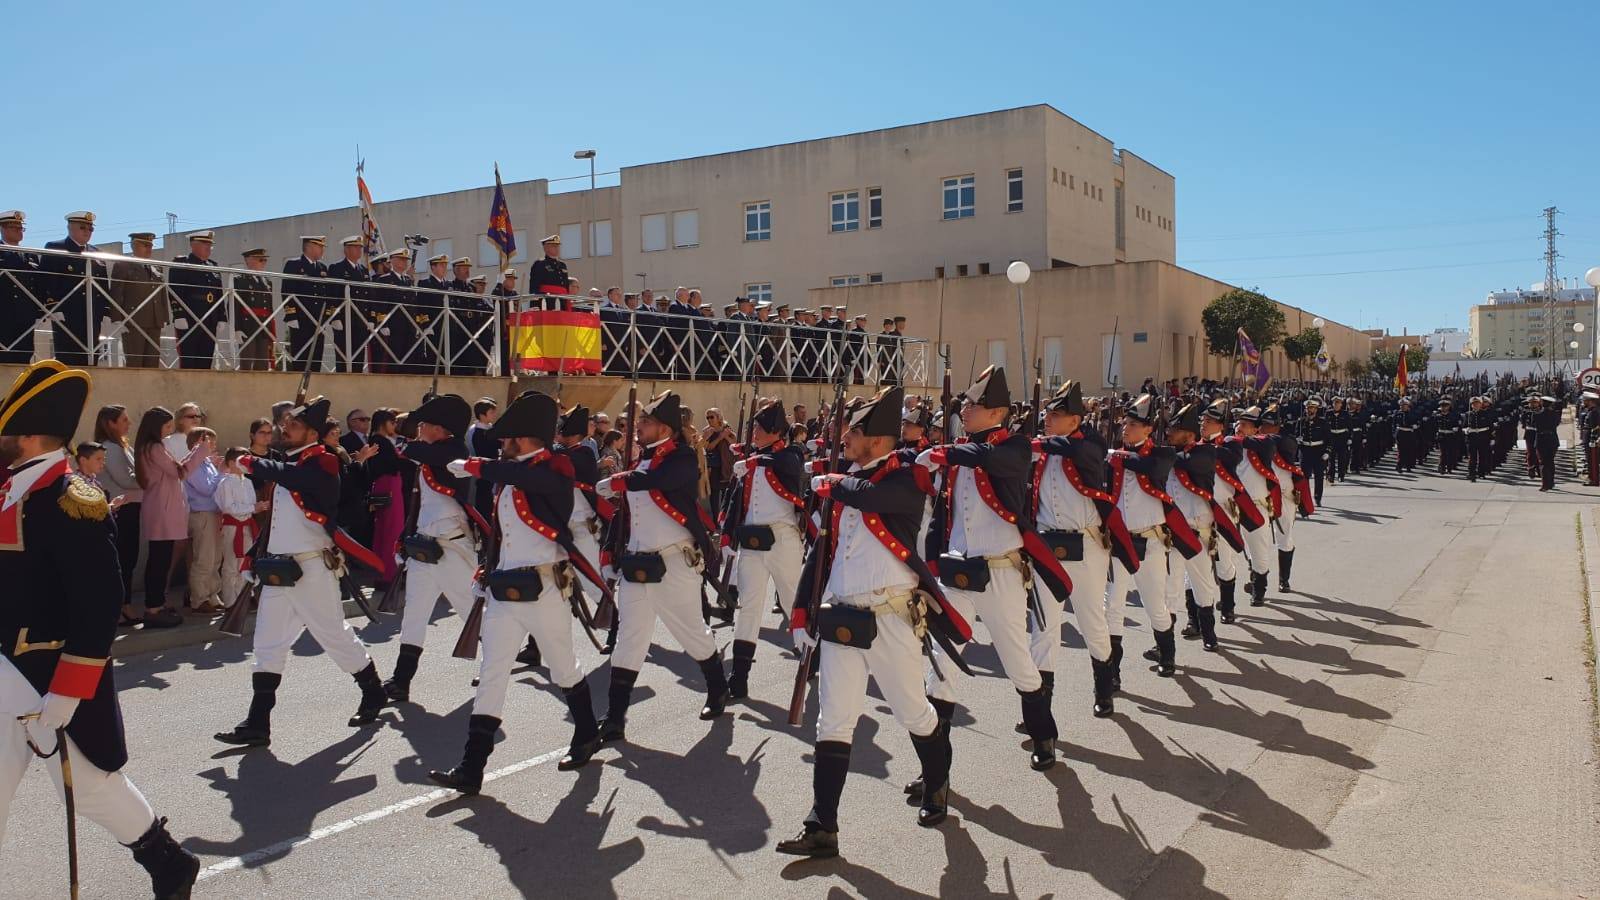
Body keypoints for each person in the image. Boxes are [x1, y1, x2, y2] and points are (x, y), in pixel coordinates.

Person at [0, 360, 201, 897]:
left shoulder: (69, 500)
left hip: (42, 671)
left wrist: (70, 688)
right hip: (5, 671)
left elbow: (98, 602)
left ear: (27, 435)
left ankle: (167, 861)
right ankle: (168, 862)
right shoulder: (14, 489)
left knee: (88, 789)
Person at [776, 386, 966, 858]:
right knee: (833, 721)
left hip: (891, 618)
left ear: (878, 440)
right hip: (841, 616)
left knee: (913, 712)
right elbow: (824, 553)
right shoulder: (849, 482)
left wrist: (832, 482)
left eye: (855, 431)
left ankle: (937, 783)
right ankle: (822, 825)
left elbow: (874, 498)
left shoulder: (905, 476)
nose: (845, 436)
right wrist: (802, 613)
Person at [430, 390, 609, 793]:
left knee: (564, 666)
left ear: (526, 439)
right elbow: (506, 532)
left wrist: (477, 466)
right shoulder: (508, 476)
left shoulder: (556, 468)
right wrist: (488, 566)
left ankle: (585, 734)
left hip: (544, 586)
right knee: (492, 671)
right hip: (504, 586)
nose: (502, 443)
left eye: (508, 437)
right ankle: (471, 767)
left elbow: (528, 477)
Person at [917, 366, 1068, 773]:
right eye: (964, 403)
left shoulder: (1014, 447)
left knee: (1017, 659)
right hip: (956, 572)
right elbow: (941, 516)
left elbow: (992, 459)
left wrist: (943, 452)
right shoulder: (960, 451)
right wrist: (931, 569)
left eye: (972, 404)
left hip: (1000, 572)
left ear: (997, 411)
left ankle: (1043, 733)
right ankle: (935, 769)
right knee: (941, 662)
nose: (964, 409)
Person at [214, 397, 388, 747]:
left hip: (312, 567)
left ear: (312, 432)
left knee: (334, 636)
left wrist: (253, 462)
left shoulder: (322, 461)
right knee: (267, 644)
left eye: (293, 425)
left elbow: (293, 477)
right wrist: (252, 556)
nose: (284, 429)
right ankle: (258, 723)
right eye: (285, 425)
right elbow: (277, 522)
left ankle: (374, 691)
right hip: (280, 569)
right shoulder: (289, 463)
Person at [594, 391, 727, 741]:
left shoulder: (681, 458)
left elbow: (660, 481)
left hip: (674, 563)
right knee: (628, 641)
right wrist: (610, 551)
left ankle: (718, 689)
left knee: (693, 634)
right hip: (637, 565)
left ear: (664, 428)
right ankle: (615, 717)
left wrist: (620, 480)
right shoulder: (641, 462)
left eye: (645, 422)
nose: (638, 427)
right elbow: (627, 513)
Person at [1031, 381, 1133, 717]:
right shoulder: (1044, 450)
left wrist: (1042, 444)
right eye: (1046, 412)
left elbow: (1085, 452)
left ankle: (1103, 689)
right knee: (1044, 629)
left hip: (1087, 545)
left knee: (1092, 622)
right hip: (1047, 546)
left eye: (1056, 414)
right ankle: (1038, 708)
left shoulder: (1089, 444)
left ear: (1075, 421)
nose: (1047, 418)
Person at [381, 394, 484, 703]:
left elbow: (418, 452)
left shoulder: (454, 450)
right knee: (414, 614)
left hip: (452, 548)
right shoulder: (427, 454)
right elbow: (419, 504)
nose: (419, 428)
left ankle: (496, 664)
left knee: (471, 611)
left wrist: (404, 444)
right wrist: (404, 538)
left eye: (424, 424)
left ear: (439, 429)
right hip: (425, 547)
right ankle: (401, 680)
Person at [718, 402, 805, 701]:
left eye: (759, 428)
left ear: (776, 432)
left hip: (782, 540)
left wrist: (757, 462)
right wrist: (728, 534)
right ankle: (738, 678)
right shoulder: (752, 461)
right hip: (752, 542)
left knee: (794, 600)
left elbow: (789, 466)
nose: (753, 432)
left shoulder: (789, 454)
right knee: (748, 607)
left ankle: (810, 658)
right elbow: (736, 501)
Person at [1103, 394, 1192, 679]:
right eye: (1125, 423)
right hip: (1118, 541)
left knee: (1155, 604)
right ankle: (1112, 671)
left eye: (1133, 424)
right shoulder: (1114, 457)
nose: (1125, 428)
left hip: (1151, 541)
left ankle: (1168, 654)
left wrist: (1118, 456)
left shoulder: (1161, 454)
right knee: (1113, 606)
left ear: (1149, 429)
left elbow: (1150, 468)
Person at [134, 407, 204, 628]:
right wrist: (199, 452)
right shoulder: (155, 447)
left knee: (160, 558)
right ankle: (153, 608)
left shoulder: (151, 446)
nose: (170, 429)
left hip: (161, 507)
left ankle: (157, 604)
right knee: (159, 560)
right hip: (162, 509)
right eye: (167, 426)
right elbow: (179, 472)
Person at [1165, 402, 1222, 652]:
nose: (1169, 434)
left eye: (1175, 430)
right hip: (1173, 534)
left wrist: (1157, 456)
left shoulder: (1204, 453)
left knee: (1202, 584)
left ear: (1189, 434)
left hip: (1199, 531)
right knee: (1170, 589)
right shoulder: (1168, 455)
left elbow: (1186, 462)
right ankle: (1165, 645)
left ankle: (1209, 633)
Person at [93, 406, 143, 622]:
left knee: (128, 558)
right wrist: (149, 480)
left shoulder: (122, 446)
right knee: (123, 558)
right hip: (120, 509)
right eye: (124, 420)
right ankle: (122, 606)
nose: (129, 423)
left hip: (130, 506)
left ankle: (122, 604)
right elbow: (126, 479)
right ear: (110, 423)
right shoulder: (111, 449)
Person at [1232, 406, 1281, 606]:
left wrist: (1238, 439)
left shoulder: (1264, 443)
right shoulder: (1229, 446)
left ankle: (1259, 588)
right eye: (1237, 423)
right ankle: (1226, 598)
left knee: (1259, 550)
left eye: (1244, 425)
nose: (1239, 427)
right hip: (1231, 507)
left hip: (1255, 506)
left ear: (1255, 430)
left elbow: (1265, 445)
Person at [40, 211, 100, 366]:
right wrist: (53, 307)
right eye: (83, 228)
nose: (87, 232)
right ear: (70, 228)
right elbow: (47, 280)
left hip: (92, 314)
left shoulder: (96, 252)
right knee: (68, 357)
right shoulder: (56, 248)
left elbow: (102, 284)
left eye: (90, 229)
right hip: (67, 314)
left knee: (92, 358)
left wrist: (105, 310)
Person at [107, 232, 169, 368]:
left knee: (152, 362)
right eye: (145, 245)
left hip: (154, 321)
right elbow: (117, 292)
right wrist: (117, 319)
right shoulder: (123, 265)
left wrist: (164, 317)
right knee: (135, 363)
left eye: (151, 246)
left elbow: (162, 294)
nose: (149, 249)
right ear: (134, 246)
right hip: (134, 322)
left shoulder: (156, 268)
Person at [182, 427, 226, 614]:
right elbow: (207, 488)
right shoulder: (192, 464)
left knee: (216, 558)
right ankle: (199, 598)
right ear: (199, 442)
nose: (214, 445)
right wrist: (223, 472)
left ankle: (212, 594)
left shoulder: (206, 462)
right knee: (204, 558)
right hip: (202, 514)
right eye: (210, 441)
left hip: (213, 512)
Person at [168, 231, 224, 369]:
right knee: (189, 360)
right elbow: (175, 291)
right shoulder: (182, 263)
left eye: (210, 245)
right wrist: (178, 315)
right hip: (190, 317)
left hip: (210, 318)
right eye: (205, 244)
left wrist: (222, 316)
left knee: (206, 360)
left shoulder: (213, 266)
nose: (209, 248)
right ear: (194, 245)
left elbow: (219, 294)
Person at [214, 447, 261, 610]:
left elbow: (251, 504)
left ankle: (244, 599)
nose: (248, 465)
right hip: (232, 527)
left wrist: (254, 508)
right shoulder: (226, 483)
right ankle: (230, 601)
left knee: (245, 564)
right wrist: (253, 508)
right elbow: (229, 507)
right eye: (244, 461)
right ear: (233, 463)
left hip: (247, 525)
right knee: (231, 564)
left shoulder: (248, 482)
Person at [366, 409, 405, 588]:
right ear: (384, 423)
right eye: (392, 422)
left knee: (384, 529)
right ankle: (389, 574)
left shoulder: (377, 440)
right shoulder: (379, 441)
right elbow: (391, 464)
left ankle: (384, 573)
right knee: (391, 530)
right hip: (388, 484)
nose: (394, 426)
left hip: (386, 484)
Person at [282, 236, 331, 369]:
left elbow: (327, 295)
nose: (322, 250)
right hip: (301, 318)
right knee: (300, 357)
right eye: (319, 247)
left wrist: (327, 317)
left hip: (318, 319)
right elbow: (287, 291)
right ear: (309, 246)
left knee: (316, 358)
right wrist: (291, 315)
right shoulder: (294, 264)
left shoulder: (323, 268)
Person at [0, 209, 39, 363]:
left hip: (26, 313)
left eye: (21, 227)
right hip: (4, 313)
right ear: (2, 229)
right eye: (14, 227)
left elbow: (38, 283)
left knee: (25, 355)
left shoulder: (30, 254)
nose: (19, 231)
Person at [235, 248, 276, 370]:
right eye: (261, 260)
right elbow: (234, 305)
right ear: (249, 261)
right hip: (247, 327)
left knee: (262, 364)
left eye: (265, 260)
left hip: (263, 327)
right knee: (247, 363)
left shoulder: (267, 282)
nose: (264, 263)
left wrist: (271, 328)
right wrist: (236, 328)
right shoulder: (240, 280)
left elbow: (269, 307)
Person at [1296, 397, 1330, 504]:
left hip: (1318, 452)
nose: (1309, 410)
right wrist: (1298, 439)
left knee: (1319, 476)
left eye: (1312, 408)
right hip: (1305, 451)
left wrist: (1327, 452)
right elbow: (1296, 434)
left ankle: (1317, 497)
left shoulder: (1322, 422)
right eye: (1308, 408)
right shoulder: (1301, 421)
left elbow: (1328, 438)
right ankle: (1305, 498)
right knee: (1304, 477)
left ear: (1316, 409)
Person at [701, 408, 735, 505]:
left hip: (727, 464)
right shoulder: (707, 431)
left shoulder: (727, 428)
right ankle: (715, 518)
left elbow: (734, 443)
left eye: (712, 417)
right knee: (714, 493)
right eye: (707, 418)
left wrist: (726, 436)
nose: (709, 420)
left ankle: (724, 516)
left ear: (719, 418)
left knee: (726, 491)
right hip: (714, 465)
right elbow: (709, 448)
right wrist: (720, 437)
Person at [527, 234, 572, 308]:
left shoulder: (562, 265)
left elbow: (566, 286)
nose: (557, 248)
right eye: (554, 246)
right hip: (547, 302)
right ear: (546, 248)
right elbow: (534, 286)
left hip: (562, 301)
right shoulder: (540, 264)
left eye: (558, 246)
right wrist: (535, 305)